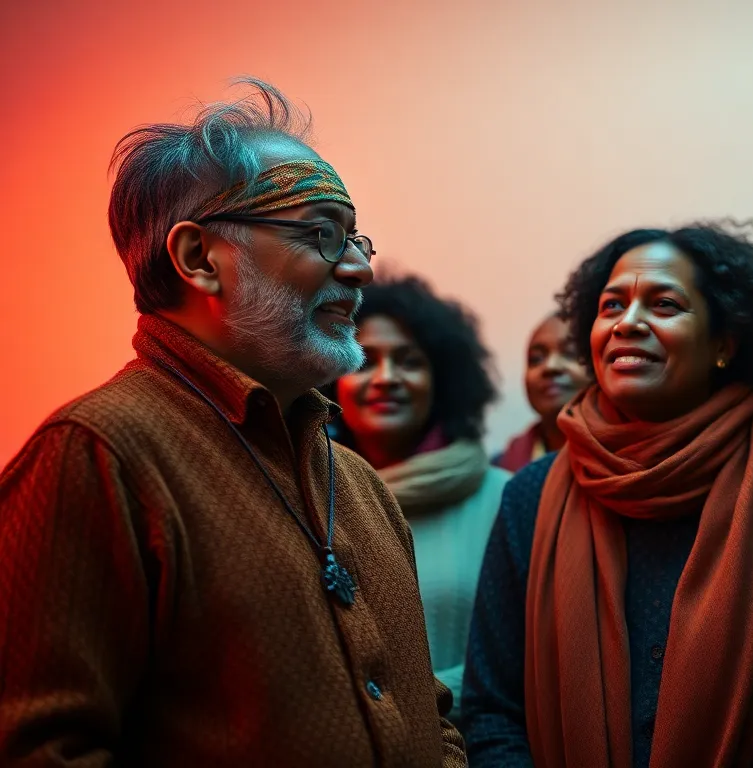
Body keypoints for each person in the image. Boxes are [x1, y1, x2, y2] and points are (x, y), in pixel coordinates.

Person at [0, 79, 467, 766]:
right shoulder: (97, 457)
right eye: (321, 234)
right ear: (198, 259)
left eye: (355, 238)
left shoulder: (361, 485)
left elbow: (430, 716)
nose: (360, 268)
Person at [462, 222, 753, 768]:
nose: (628, 323)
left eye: (664, 305)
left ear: (724, 343)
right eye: (611, 306)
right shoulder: (529, 498)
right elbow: (492, 710)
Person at [330, 275, 512, 723]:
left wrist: (405, 705)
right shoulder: (309, 496)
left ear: (442, 381)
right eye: (365, 360)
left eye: (409, 361)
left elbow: (526, 656)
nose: (386, 378)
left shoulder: (505, 497)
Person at [493, 313, 591, 471]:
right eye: (537, 358)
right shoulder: (500, 469)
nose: (550, 366)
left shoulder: (628, 462)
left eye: (571, 353)